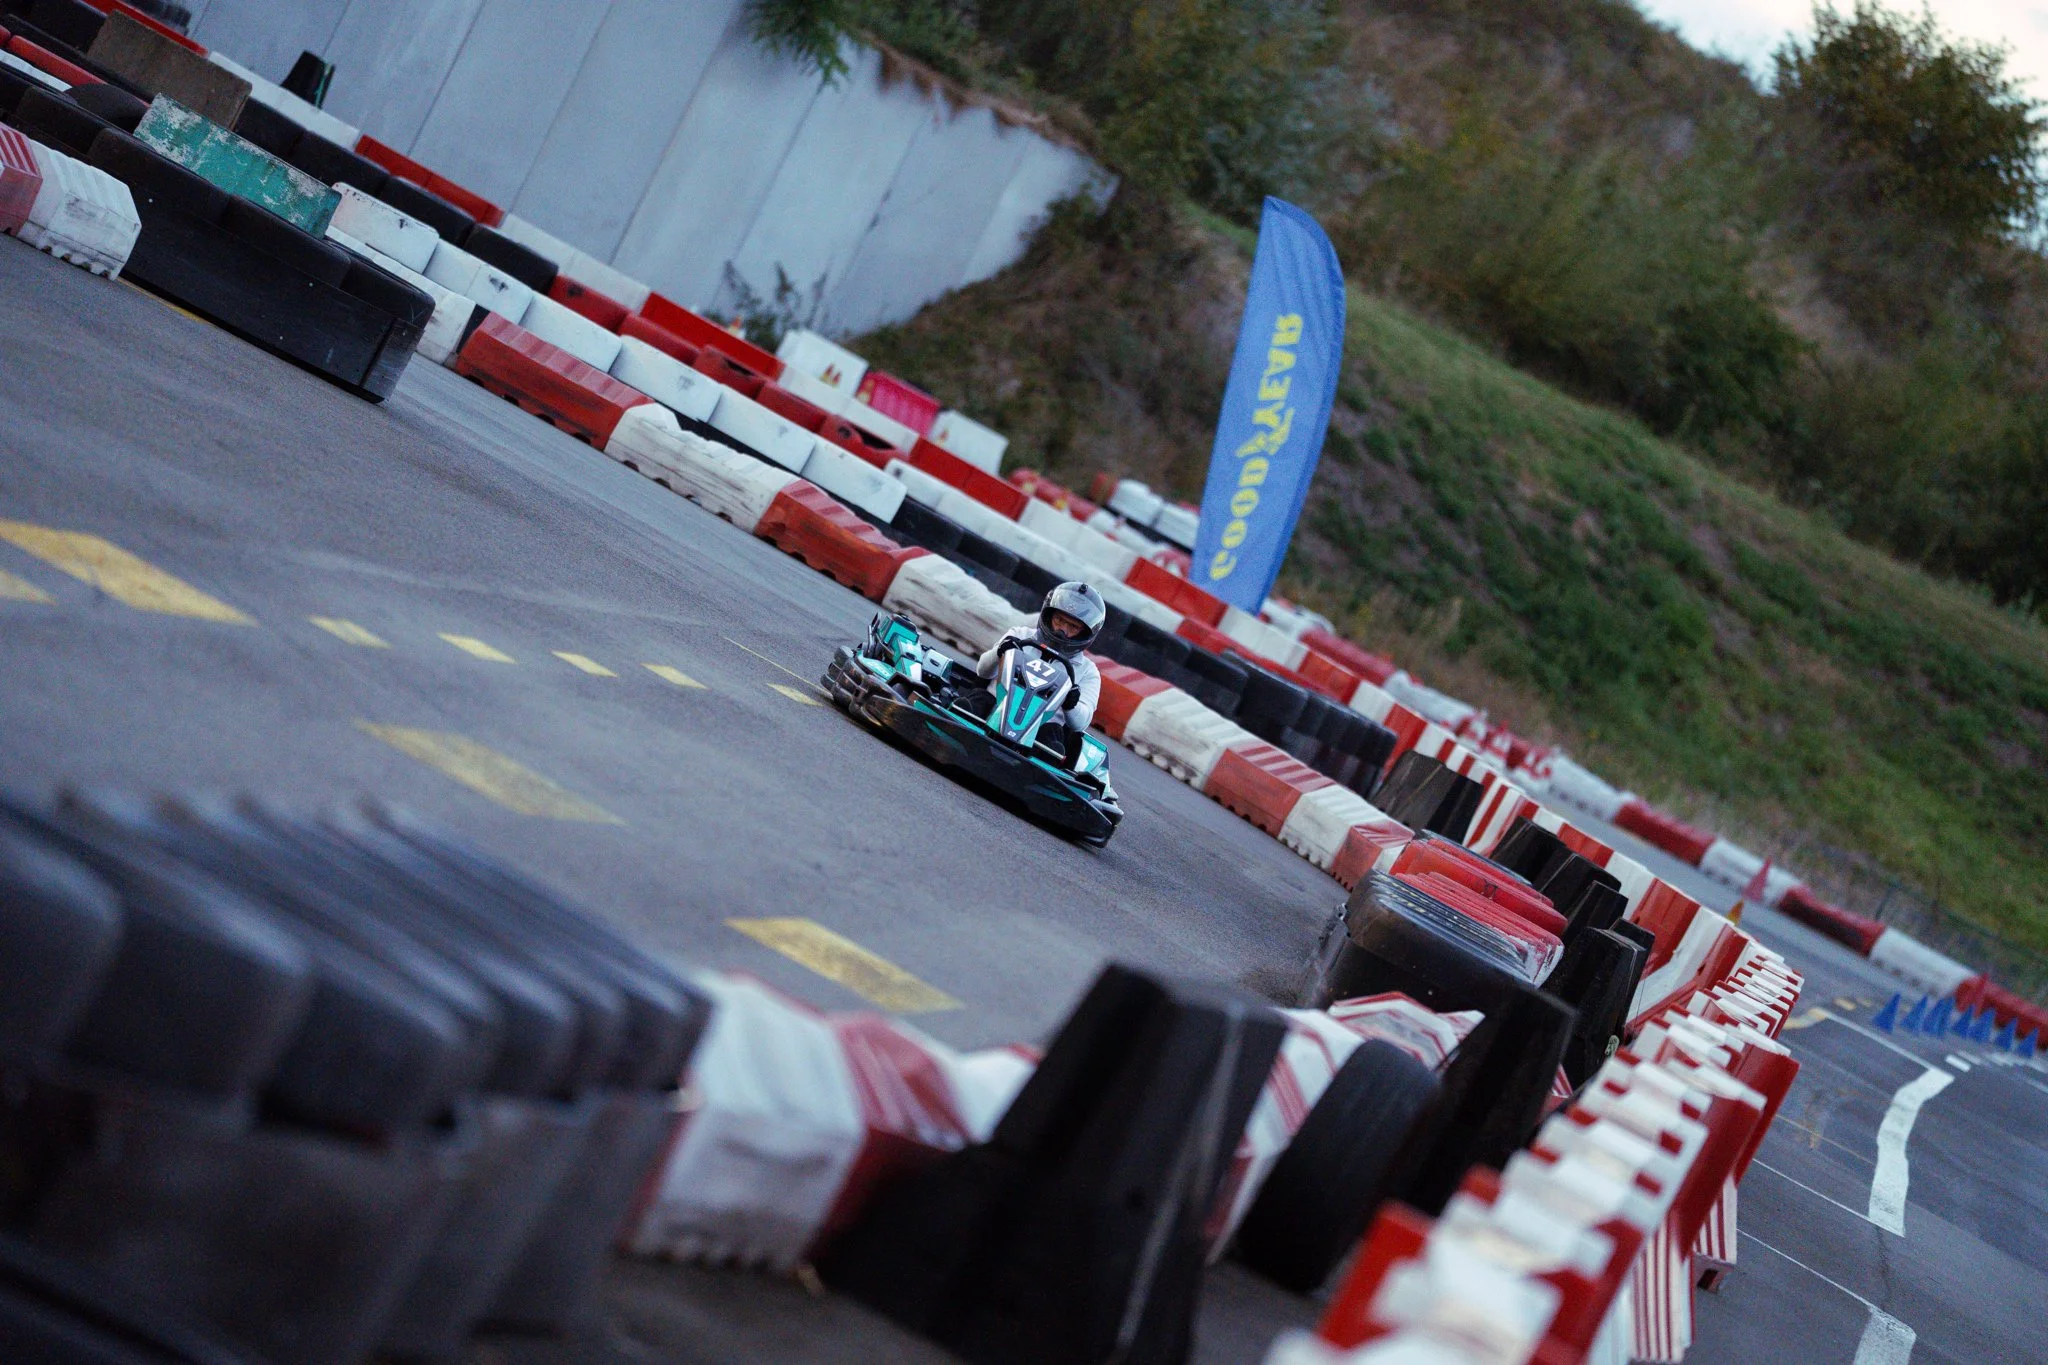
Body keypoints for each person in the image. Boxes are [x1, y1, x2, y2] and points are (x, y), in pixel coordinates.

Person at [976, 581, 1105, 766]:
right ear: (1049, 615)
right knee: (974, 702)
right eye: (1059, 620)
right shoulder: (1020, 636)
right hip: (993, 709)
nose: (1063, 630)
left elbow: (1081, 723)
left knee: (1054, 744)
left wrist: (1071, 703)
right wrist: (999, 653)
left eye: (1073, 627)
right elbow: (982, 671)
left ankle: (1036, 771)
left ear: (1085, 632)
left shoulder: (1087, 671)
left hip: (1040, 733)